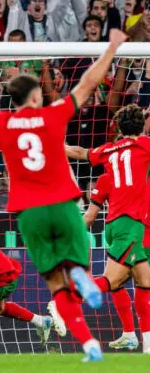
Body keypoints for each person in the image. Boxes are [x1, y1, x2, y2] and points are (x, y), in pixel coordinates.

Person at [0, 28, 128, 362]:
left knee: (55, 285)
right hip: (63, 203)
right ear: (35, 97)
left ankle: (87, 339)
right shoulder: (52, 114)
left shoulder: (2, 122)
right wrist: (113, 47)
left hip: (29, 211)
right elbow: (87, 84)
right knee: (75, 268)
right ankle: (81, 277)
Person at [66, 103, 150, 355]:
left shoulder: (109, 152)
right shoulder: (145, 146)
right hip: (132, 224)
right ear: (142, 126)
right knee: (112, 281)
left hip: (116, 225)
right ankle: (67, 301)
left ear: (118, 128)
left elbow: (80, 152)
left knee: (144, 282)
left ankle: (143, 343)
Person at [81, 172, 139, 351]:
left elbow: (89, 217)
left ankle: (67, 299)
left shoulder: (110, 177)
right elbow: (90, 216)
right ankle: (129, 334)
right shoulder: (109, 178)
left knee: (115, 281)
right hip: (124, 233)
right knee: (118, 283)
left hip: (130, 232)